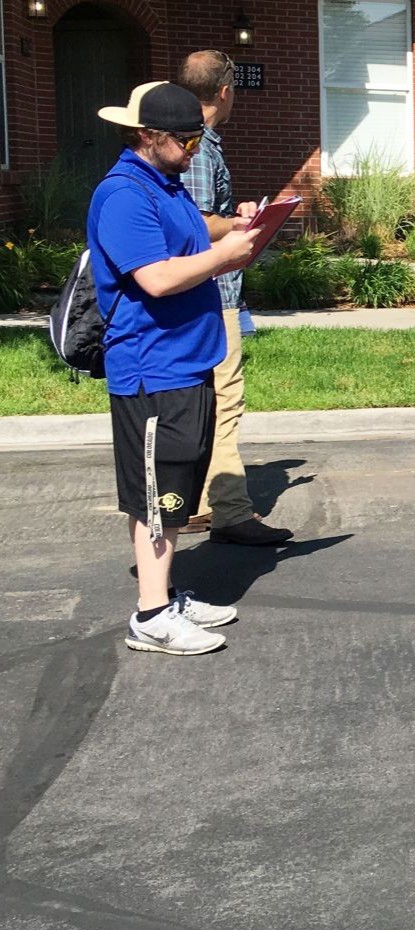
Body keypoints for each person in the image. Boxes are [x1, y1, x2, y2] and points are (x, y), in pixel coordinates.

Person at [90, 81, 262, 654]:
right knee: (155, 498)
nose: (194, 150)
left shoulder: (162, 184)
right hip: (150, 370)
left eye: (198, 138)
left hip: (188, 362)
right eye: (185, 141)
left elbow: (192, 230)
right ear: (148, 135)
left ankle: (167, 592)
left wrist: (236, 225)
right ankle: (151, 616)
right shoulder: (122, 194)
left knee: (177, 493)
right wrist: (225, 256)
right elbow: (157, 278)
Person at [175, 51, 293, 545]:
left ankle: (202, 503)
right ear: (224, 91)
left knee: (208, 400)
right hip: (211, 291)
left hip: (199, 290)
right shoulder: (199, 147)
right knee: (226, 399)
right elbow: (196, 223)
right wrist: (241, 228)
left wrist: (238, 215)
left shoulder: (189, 140)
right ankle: (230, 511)